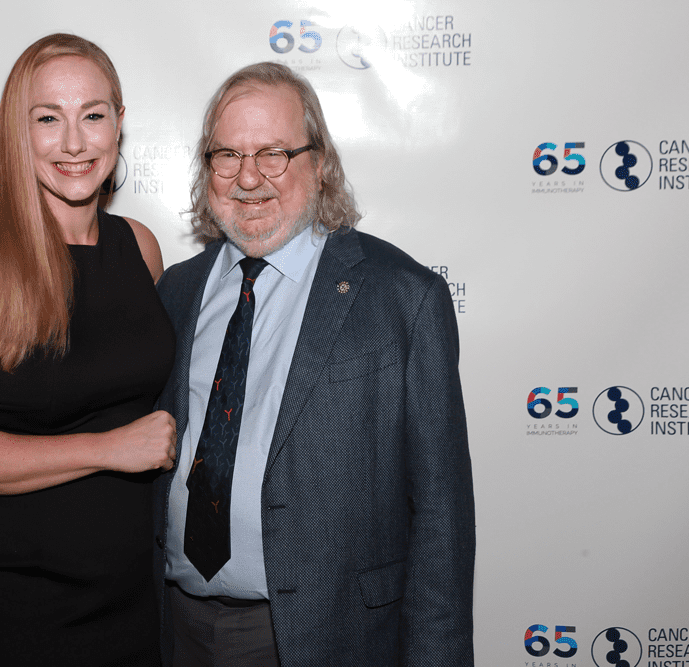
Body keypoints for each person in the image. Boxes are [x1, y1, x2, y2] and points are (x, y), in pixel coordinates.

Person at [153, 62, 475, 666]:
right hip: (175, 628)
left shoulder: (402, 299)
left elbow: (441, 518)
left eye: (274, 153)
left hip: (324, 637)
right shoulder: (176, 292)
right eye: (227, 154)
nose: (248, 178)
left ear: (319, 162)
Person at [0, 34, 176, 666]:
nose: (74, 143)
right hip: (21, 608)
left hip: (135, 598)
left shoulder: (141, 246)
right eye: (48, 118)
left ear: (120, 124)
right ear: (15, 133)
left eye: (93, 115)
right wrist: (108, 449)